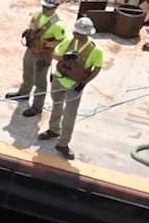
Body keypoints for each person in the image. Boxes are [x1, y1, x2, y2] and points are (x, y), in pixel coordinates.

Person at [39, 16, 104, 160]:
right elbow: (55, 54)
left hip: (74, 85)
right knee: (56, 105)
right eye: (75, 32)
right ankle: (53, 130)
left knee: (70, 115)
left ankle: (63, 143)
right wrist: (64, 57)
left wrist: (84, 82)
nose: (75, 35)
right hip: (59, 79)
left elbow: (97, 68)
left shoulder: (96, 50)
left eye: (78, 33)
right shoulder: (68, 41)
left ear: (85, 34)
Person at [5, 0, 67, 119]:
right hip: (31, 48)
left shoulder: (58, 25)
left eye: (49, 8)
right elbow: (32, 24)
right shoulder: (38, 13)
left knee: (40, 81)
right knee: (27, 72)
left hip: (43, 55)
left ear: (55, 8)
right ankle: (23, 93)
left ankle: (37, 106)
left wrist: (46, 44)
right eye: (44, 6)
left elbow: (61, 41)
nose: (45, 10)